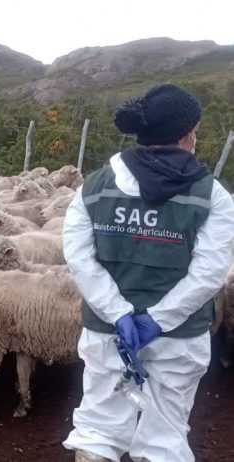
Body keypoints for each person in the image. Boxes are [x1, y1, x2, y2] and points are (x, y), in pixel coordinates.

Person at [61, 83, 234, 462]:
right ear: (189, 133)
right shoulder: (212, 196)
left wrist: (119, 313)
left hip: (109, 334)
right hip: (178, 338)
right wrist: (156, 320)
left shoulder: (93, 188)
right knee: (164, 437)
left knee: (97, 428)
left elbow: (79, 258)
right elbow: (209, 273)